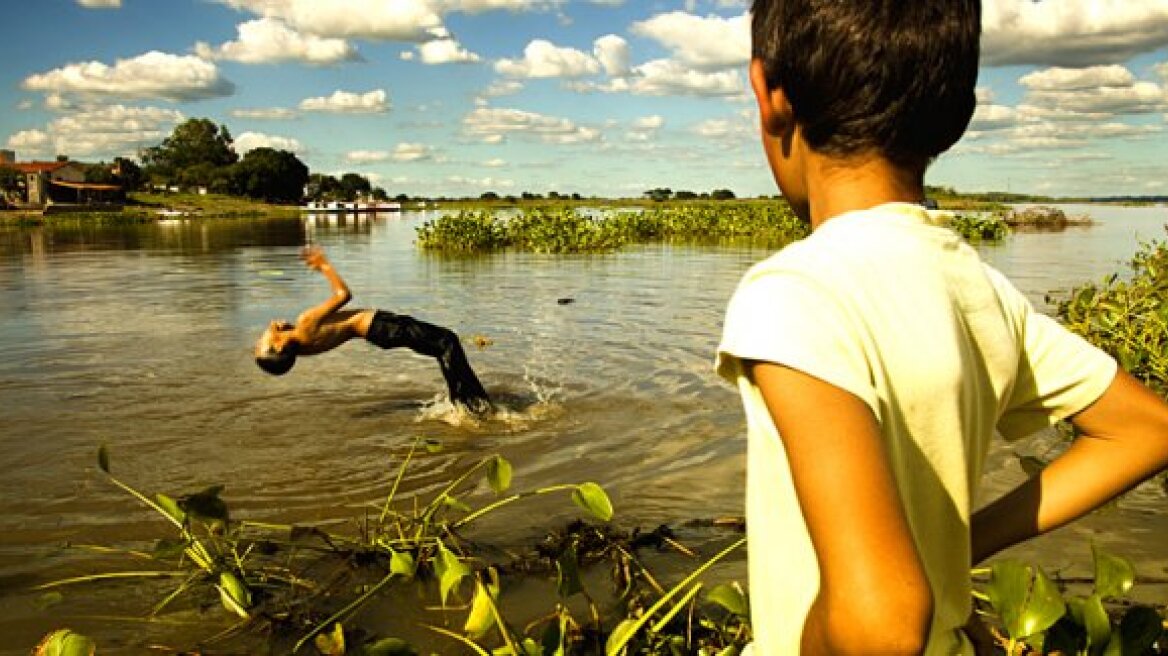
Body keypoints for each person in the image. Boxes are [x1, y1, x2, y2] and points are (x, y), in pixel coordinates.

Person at [715, 1, 1168, 654]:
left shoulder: (794, 292)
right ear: (958, 112)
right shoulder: (976, 286)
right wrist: (955, 549)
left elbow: (880, 622)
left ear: (768, 95)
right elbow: (1146, 429)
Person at [255, 246, 492, 415]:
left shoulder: (303, 345)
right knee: (446, 342)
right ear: (279, 345)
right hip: (382, 326)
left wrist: (282, 329)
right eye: (262, 344)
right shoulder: (305, 322)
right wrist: (324, 265)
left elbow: (300, 342)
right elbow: (343, 296)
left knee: (443, 345)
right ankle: (468, 406)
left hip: (378, 333)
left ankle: (470, 402)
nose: (260, 338)